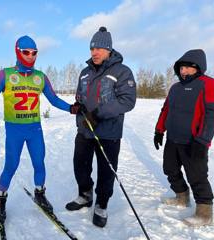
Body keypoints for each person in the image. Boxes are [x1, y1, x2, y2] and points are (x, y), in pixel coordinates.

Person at [0, 35, 77, 222]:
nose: (31, 56)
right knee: (11, 165)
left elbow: (54, 99)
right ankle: (0, 198)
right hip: (14, 130)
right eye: (26, 52)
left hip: (34, 130)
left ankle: (40, 193)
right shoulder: (6, 74)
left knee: (39, 162)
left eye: (34, 53)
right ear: (18, 52)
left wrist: (71, 108)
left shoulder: (40, 77)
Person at [65, 27, 136, 228]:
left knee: (106, 171)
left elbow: (127, 101)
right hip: (85, 130)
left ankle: (102, 204)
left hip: (109, 132)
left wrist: (98, 114)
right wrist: (78, 106)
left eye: (99, 49)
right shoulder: (85, 72)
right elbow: (80, 96)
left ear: (109, 50)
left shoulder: (122, 71)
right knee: (80, 164)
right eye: (92, 48)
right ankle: (85, 195)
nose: (94, 52)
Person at [154, 49, 214, 227]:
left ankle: (204, 213)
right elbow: (166, 110)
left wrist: (203, 140)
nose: (184, 71)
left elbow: (211, 115)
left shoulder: (208, 84)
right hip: (173, 139)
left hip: (194, 142)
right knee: (169, 169)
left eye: (188, 67)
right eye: (181, 68)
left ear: (198, 67)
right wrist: (159, 131)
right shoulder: (175, 88)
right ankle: (182, 197)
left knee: (197, 176)